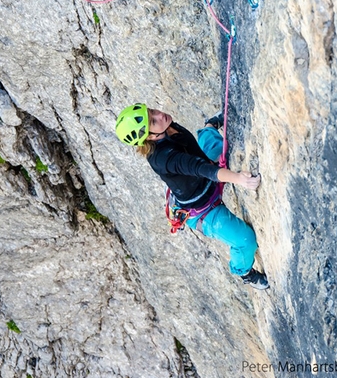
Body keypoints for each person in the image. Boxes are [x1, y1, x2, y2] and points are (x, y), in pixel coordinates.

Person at [115, 104, 269, 290]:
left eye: (152, 112)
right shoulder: (163, 158)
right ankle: (244, 273)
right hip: (203, 209)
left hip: (204, 176)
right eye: (153, 121)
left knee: (218, 146)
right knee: (245, 240)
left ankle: (209, 127)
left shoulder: (168, 127)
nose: (159, 115)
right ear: (148, 137)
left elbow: (198, 158)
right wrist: (239, 179)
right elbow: (201, 169)